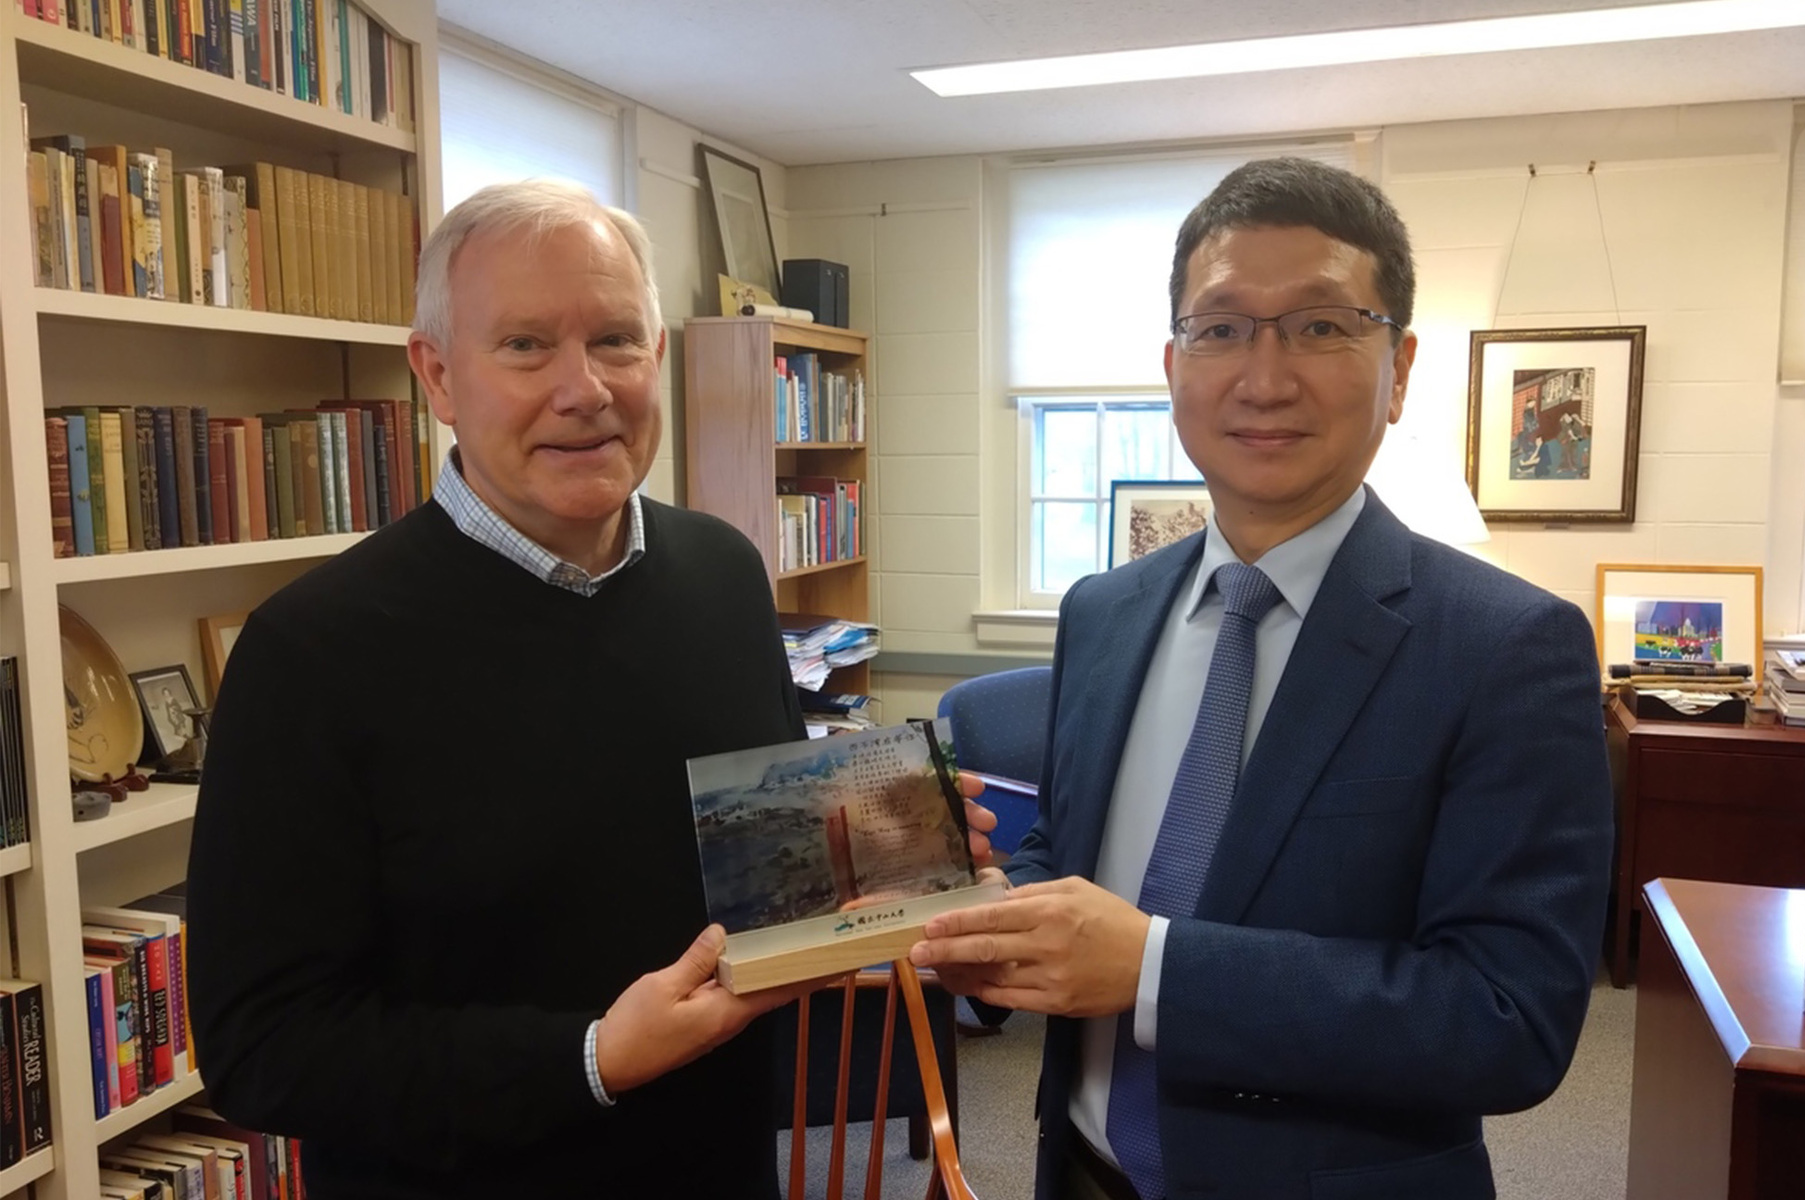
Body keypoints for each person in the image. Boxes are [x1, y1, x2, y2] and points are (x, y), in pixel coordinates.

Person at [187, 179, 993, 1199]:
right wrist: (594, 1056)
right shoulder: (310, 654)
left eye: (615, 339)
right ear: (437, 375)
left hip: (722, 1168)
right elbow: (265, 1047)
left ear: (655, 358)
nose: (583, 388)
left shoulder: (724, 572)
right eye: (525, 345)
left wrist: (887, 846)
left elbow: (749, 864)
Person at [913, 157, 1612, 1200]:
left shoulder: (1505, 648)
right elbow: (1077, 854)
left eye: (1323, 326)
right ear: (1173, 362)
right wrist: (996, 910)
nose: (1265, 376)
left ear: (1401, 367)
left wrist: (1155, 970)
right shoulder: (1103, 613)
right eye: (1222, 327)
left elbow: (1507, 1018)